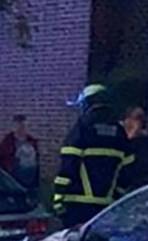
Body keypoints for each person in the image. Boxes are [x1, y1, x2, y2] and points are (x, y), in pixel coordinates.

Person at [50, 84, 136, 227]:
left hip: (77, 205)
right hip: (106, 207)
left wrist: (58, 199)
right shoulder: (119, 132)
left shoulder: (82, 127)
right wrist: (117, 195)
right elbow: (127, 171)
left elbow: (68, 166)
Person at [0, 115, 41, 192]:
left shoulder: (32, 142)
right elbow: (1, 160)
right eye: (19, 126)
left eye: (24, 126)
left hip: (31, 182)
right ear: (14, 127)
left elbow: (36, 160)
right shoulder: (7, 143)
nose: (22, 129)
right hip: (15, 182)